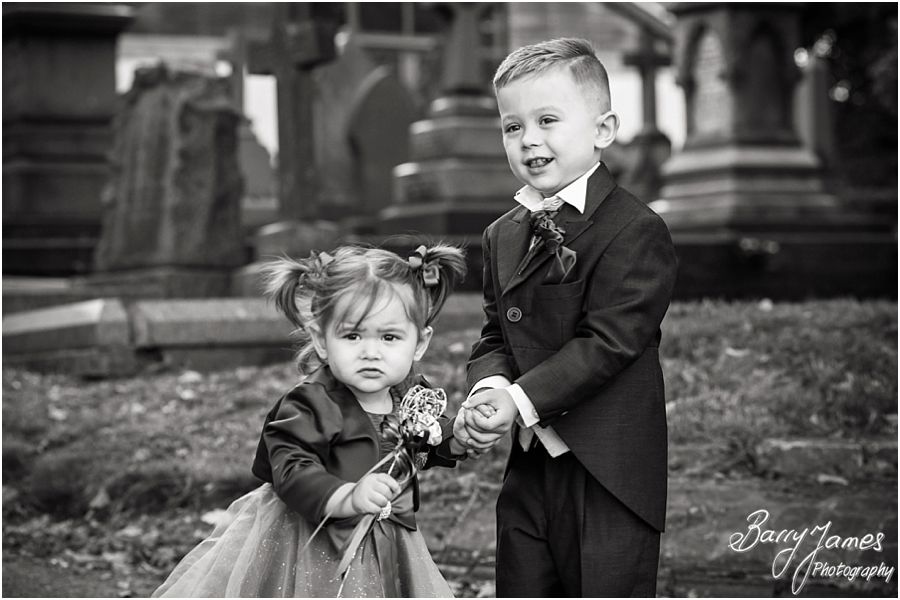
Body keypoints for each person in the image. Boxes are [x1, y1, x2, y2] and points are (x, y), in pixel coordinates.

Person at [455, 38, 678, 597]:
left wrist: (519, 398)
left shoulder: (634, 229)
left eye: (548, 120)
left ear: (603, 129)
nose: (529, 139)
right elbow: (496, 331)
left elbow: (609, 341)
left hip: (607, 473)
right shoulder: (502, 233)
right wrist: (489, 388)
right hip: (530, 468)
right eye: (512, 126)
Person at [153, 244, 470, 597]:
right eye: (352, 336)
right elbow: (291, 468)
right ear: (321, 339)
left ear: (419, 343)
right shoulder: (312, 403)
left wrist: (454, 438)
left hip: (386, 535)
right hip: (312, 539)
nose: (371, 352)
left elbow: (421, 439)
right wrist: (346, 496)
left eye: (389, 337)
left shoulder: (409, 394)